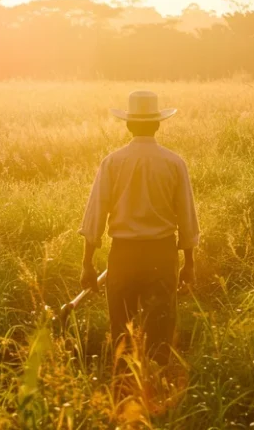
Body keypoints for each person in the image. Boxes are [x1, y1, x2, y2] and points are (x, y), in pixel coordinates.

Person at [78, 90, 200, 368]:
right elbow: (187, 217)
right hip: (161, 254)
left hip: (123, 255)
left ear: (129, 125)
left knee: (123, 328)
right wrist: (189, 263)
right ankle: (157, 384)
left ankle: (123, 389)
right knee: (160, 326)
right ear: (158, 125)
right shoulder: (174, 163)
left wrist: (87, 263)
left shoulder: (112, 162)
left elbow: (95, 215)